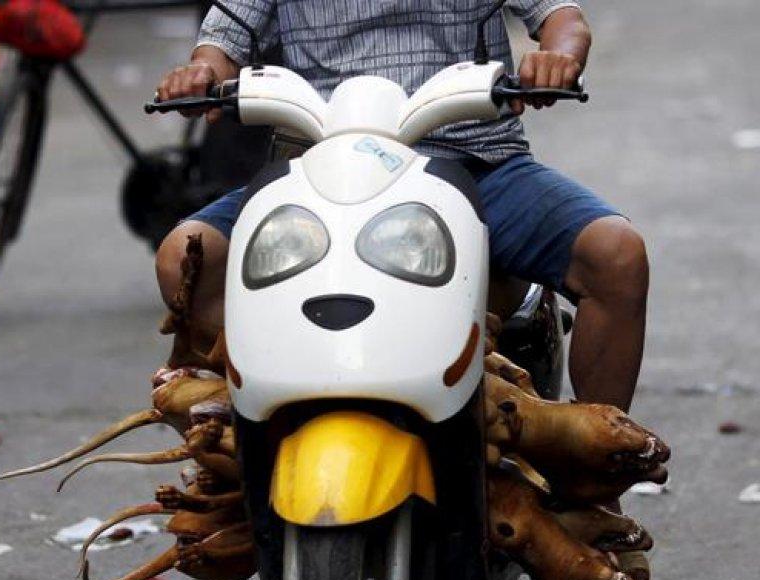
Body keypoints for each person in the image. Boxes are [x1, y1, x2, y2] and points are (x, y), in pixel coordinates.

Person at [154, 0, 648, 413]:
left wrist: (558, 55)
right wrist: (201, 74)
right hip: (319, 173)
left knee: (616, 256)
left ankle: (596, 482)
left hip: (476, 163)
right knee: (184, 259)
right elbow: (222, 44)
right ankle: (246, 448)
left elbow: (562, 19)